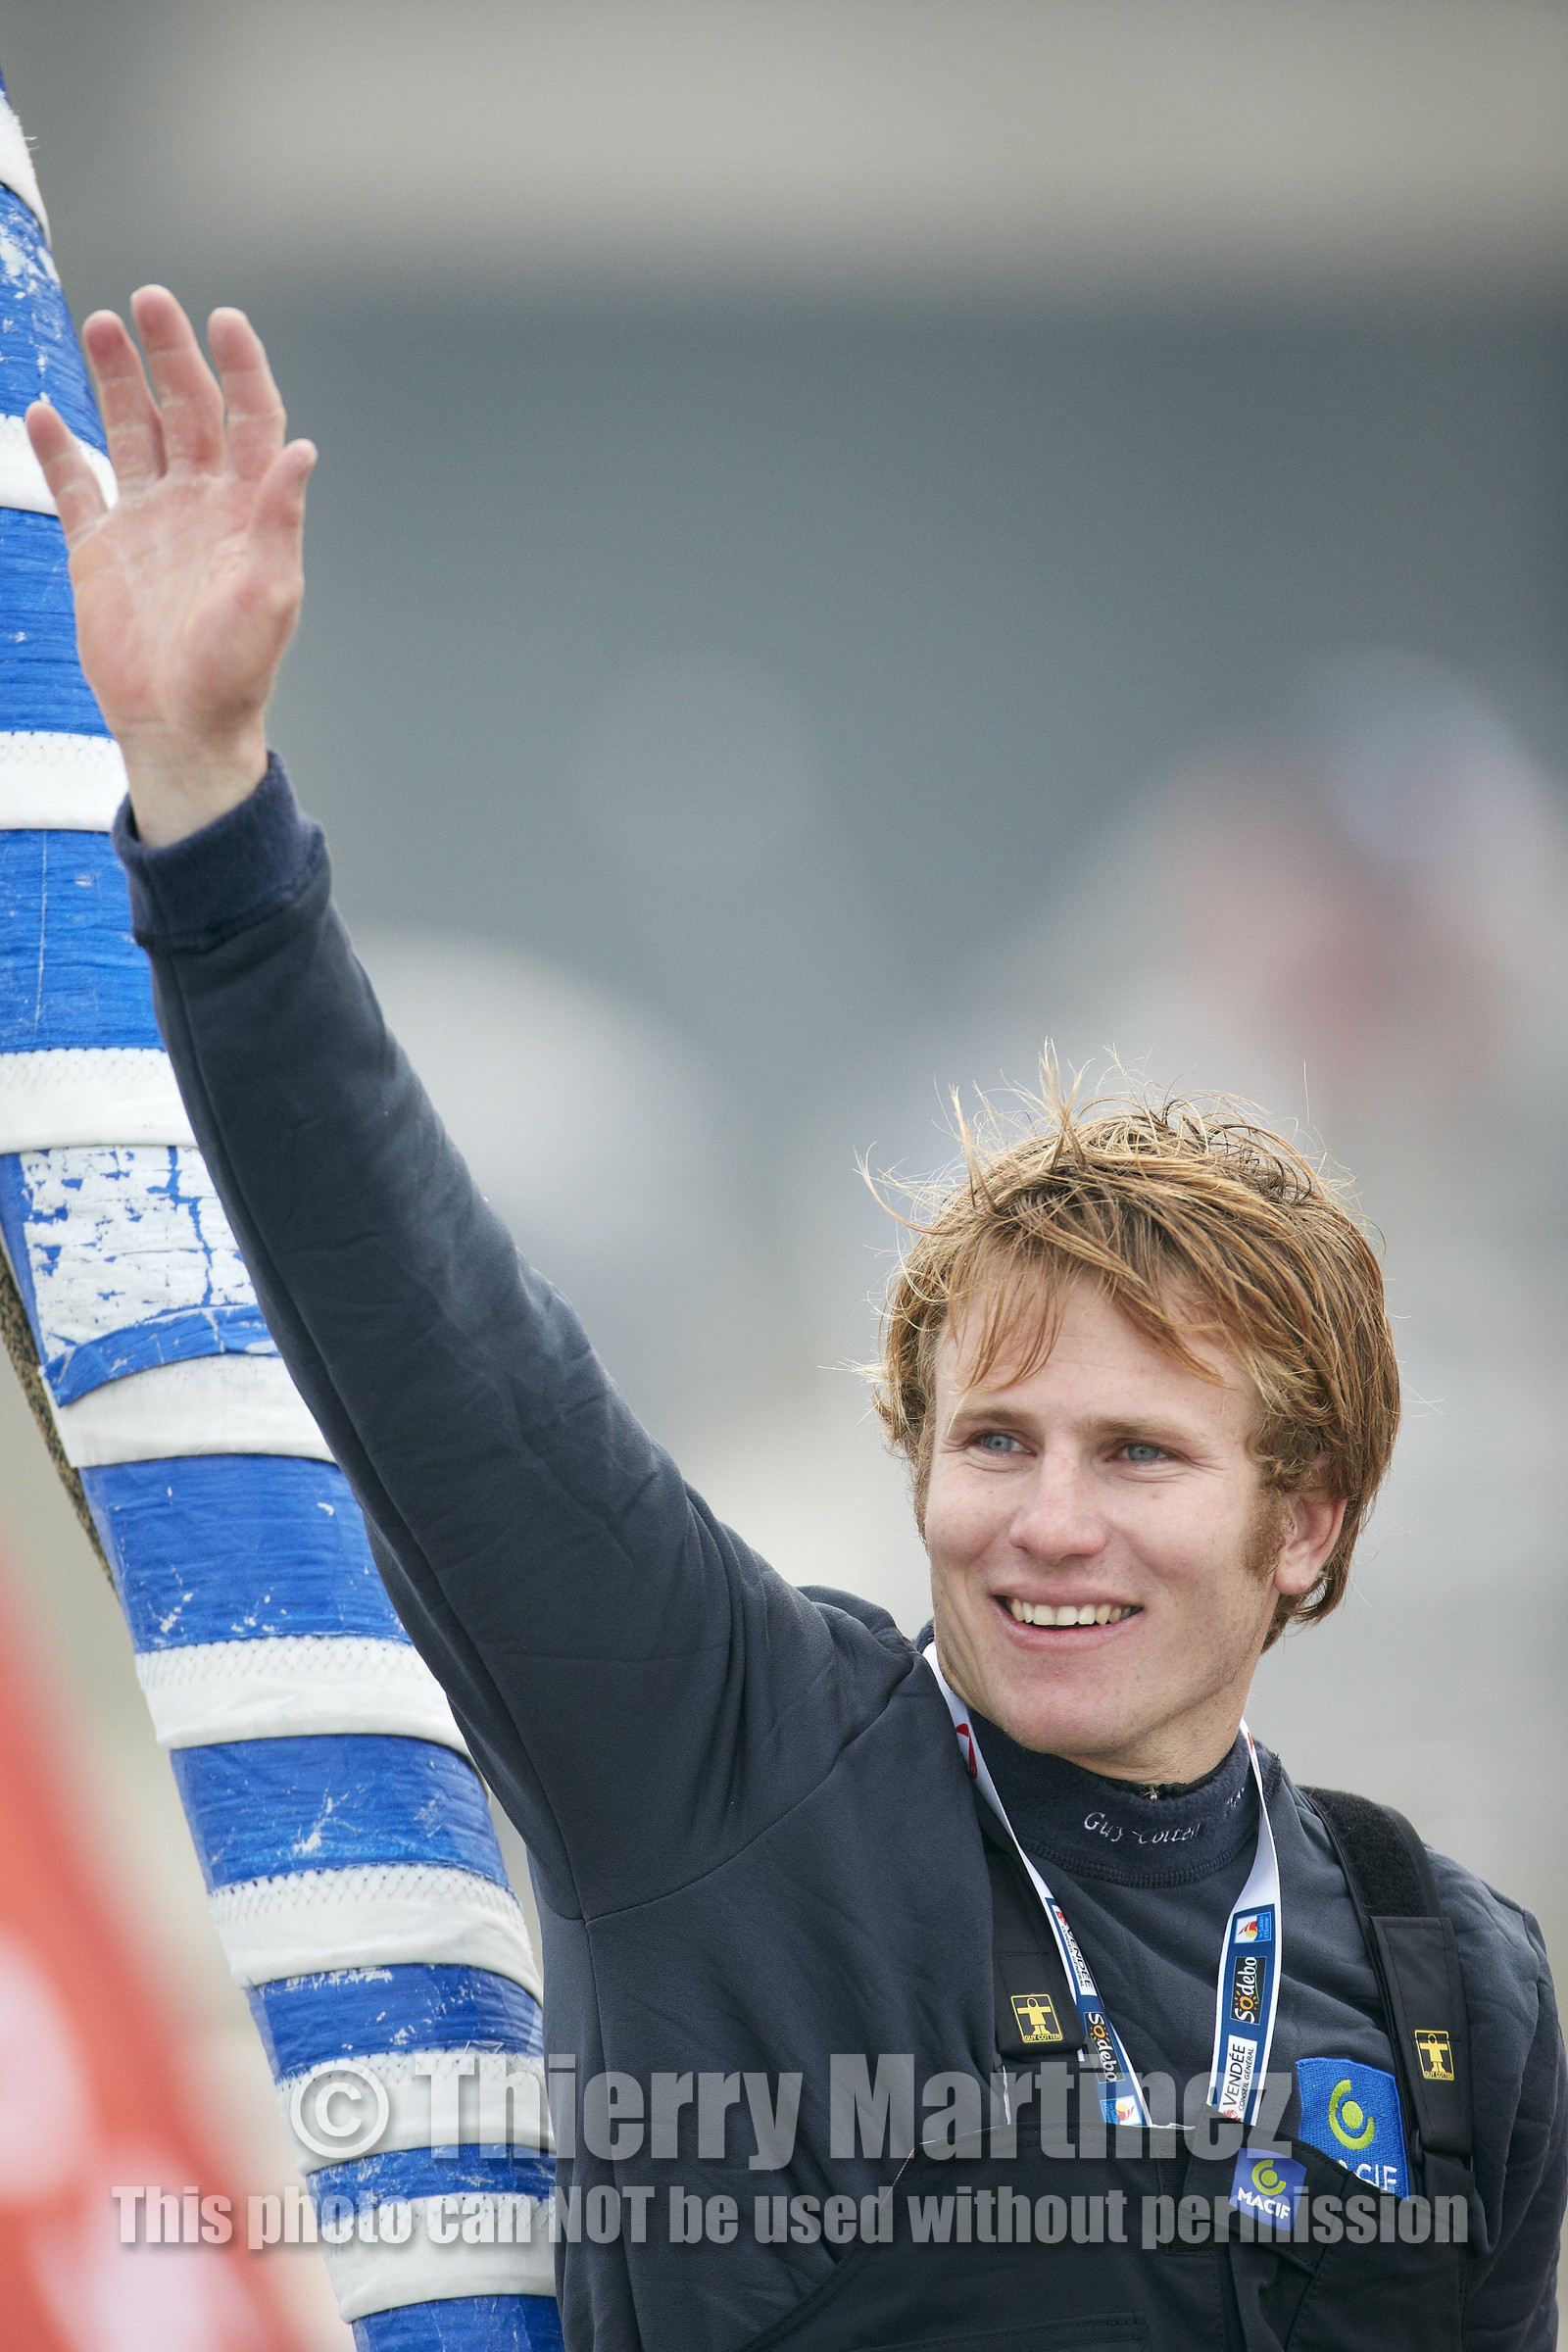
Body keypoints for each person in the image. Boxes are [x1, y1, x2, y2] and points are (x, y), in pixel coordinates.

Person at [27, 295, 1565, 2352]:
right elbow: (428, 1330)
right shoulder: (730, 1751)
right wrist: (213, 803)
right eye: (993, 1440)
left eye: (1137, 1454)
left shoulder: (1449, 1980)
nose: (1043, 1519)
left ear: (1304, 1526)